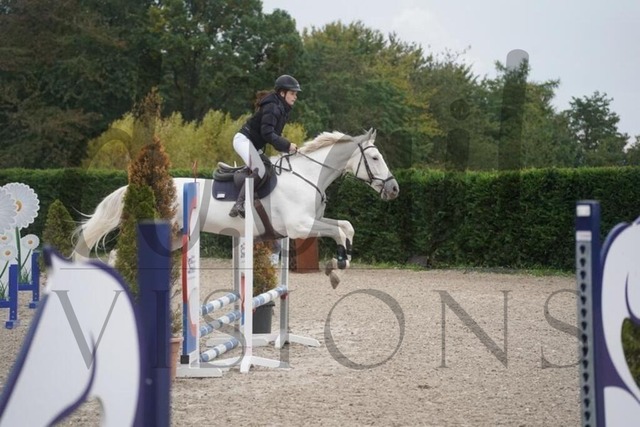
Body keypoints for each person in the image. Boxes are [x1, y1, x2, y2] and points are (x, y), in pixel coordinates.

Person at [229, 74, 301, 218]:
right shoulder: (272, 107)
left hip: (253, 145)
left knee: (268, 168)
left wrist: (287, 150)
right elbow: (268, 134)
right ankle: (238, 204)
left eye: (295, 94)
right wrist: (287, 145)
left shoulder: (281, 109)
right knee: (260, 170)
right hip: (243, 140)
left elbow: (274, 137)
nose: (295, 97)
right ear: (282, 93)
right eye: (292, 93)